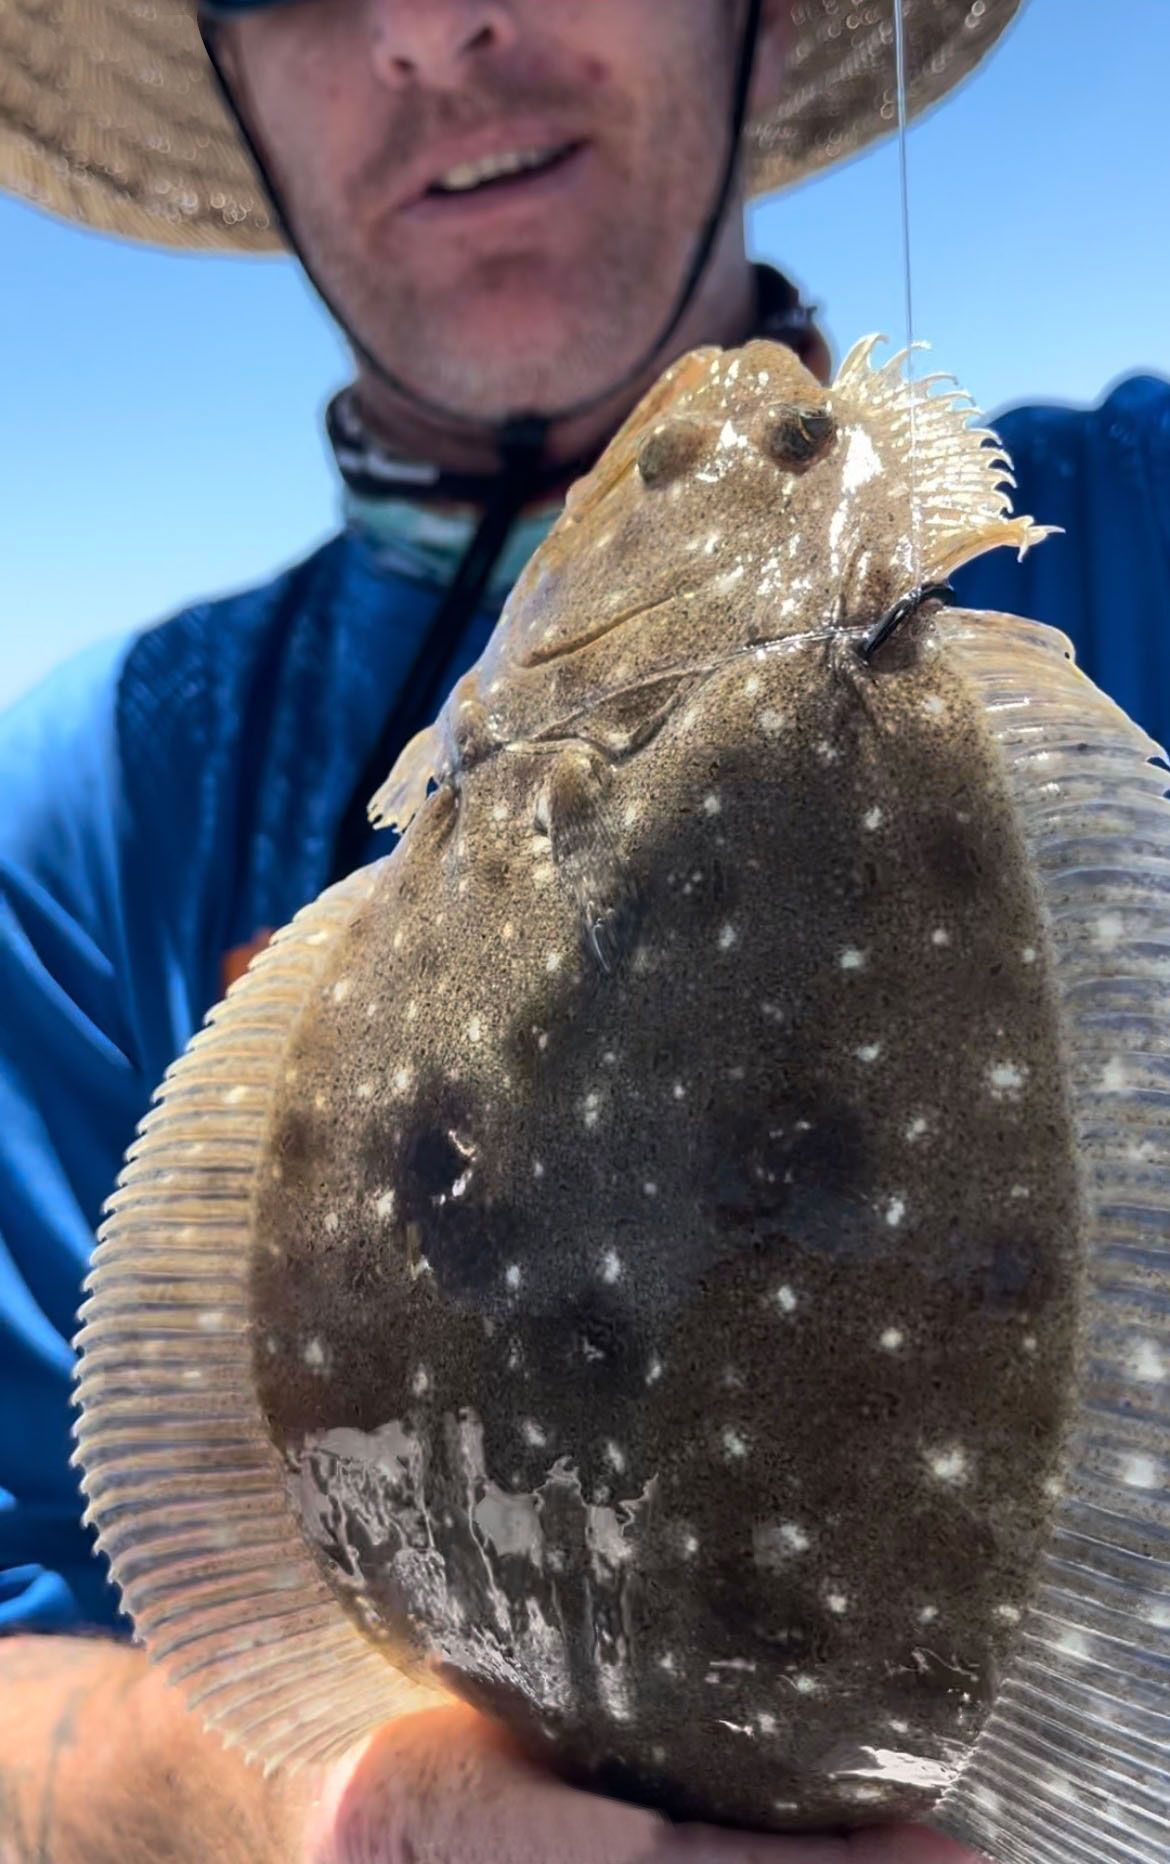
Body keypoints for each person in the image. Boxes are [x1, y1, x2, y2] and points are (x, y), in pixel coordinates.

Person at [0, 1, 1166, 1858]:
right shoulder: (93, 802)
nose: (431, 24)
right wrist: (327, 1805)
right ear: (234, 83)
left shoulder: (1127, 516)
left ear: (771, 28)